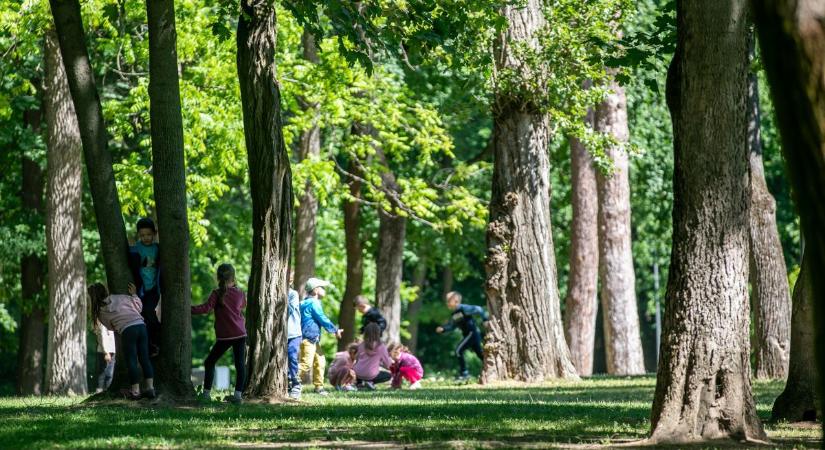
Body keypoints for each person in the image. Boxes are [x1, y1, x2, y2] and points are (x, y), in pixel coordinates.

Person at [191, 263, 247, 404]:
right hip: (240, 333)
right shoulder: (240, 292)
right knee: (240, 365)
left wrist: (189, 309)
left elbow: (205, 308)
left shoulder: (217, 293)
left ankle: (206, 394)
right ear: (233, 277)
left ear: (218, 277)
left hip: (226, 336)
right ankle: (238, 395)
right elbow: (242, 305)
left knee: (209, 362)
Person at [88, 282, 155, 400]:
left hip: (127, 331)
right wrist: (134, 295)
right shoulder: (119, 297)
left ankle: (135, 391)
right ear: (105, 291)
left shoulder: (101, 312)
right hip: (141, 326)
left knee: (132, 361)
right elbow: (139, 308)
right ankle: (150, 388)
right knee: (144, 358)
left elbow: (110, 327)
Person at [299, 277, 343, 396]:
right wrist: (334, 330)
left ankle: (319, 387)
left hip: (312, 338)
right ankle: (287, 380)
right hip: (308, 338)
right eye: (322, 287)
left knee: (320, 360)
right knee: (306, 364)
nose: (324, 290)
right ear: (316, 290)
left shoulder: (305, 302)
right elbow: (322, 318)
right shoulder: (313, 303)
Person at [435, 291, 489, 381]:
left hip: (472, 333)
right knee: (480, 355)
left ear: (456, 301)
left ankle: (464, 374)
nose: (447, 303)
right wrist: (443, 329)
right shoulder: (454, 314)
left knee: (458, 350)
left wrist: (485, 320)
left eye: (449, 301)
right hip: (469, 335)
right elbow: (452, 326)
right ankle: (490, 369)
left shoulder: (463, 308)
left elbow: (479, 309)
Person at [128, 217, 161, 356]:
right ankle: (148, 347)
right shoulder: (136, 249)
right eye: (142, 235)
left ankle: (155, 342)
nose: (146, 238)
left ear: (154, 233)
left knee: (151, 314)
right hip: (141, 290)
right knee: (142, 318)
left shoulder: (158, 249)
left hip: (154, 289)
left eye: (148, 235)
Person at [353, 322, 393, 390]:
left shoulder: (362, 344)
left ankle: (359, 384)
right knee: (388, 375)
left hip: (357, 373)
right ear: (378, 333)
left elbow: (356, 358)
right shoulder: (381, 346)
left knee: (361, 372)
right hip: (371, 375)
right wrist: (389, 360)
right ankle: (370, 382)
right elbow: (388, 364)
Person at [287, 272, 302, 399]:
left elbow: (288, 310)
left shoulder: (293, 294)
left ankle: (296, 383)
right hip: (281, 334)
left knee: (292, 357)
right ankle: (287, 382)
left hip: (293, 333)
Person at [93, 319, 116, 393]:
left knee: (107, 373)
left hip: (110, 350)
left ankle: (105, 390)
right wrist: (106, 352)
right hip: (106, 351)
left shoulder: (107, 322)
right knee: (105, 373)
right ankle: (100, 390)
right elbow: (103, 337)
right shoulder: (103, 323)